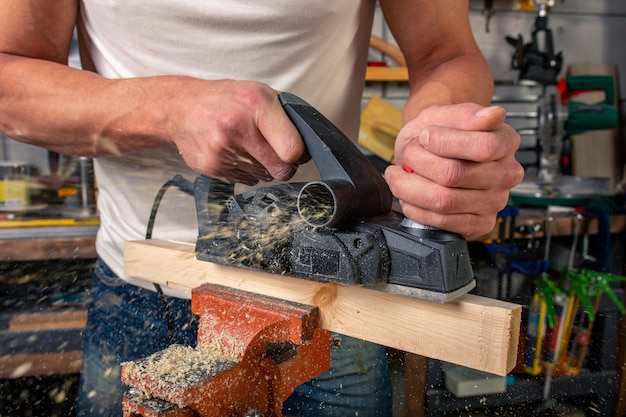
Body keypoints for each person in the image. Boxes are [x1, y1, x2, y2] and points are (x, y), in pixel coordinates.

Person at [0, 1, 524, 416]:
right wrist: (169, 107)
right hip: (142, 293)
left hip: (339, 306)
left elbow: (444, 53)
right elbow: (9, 80)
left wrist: (439, 141)